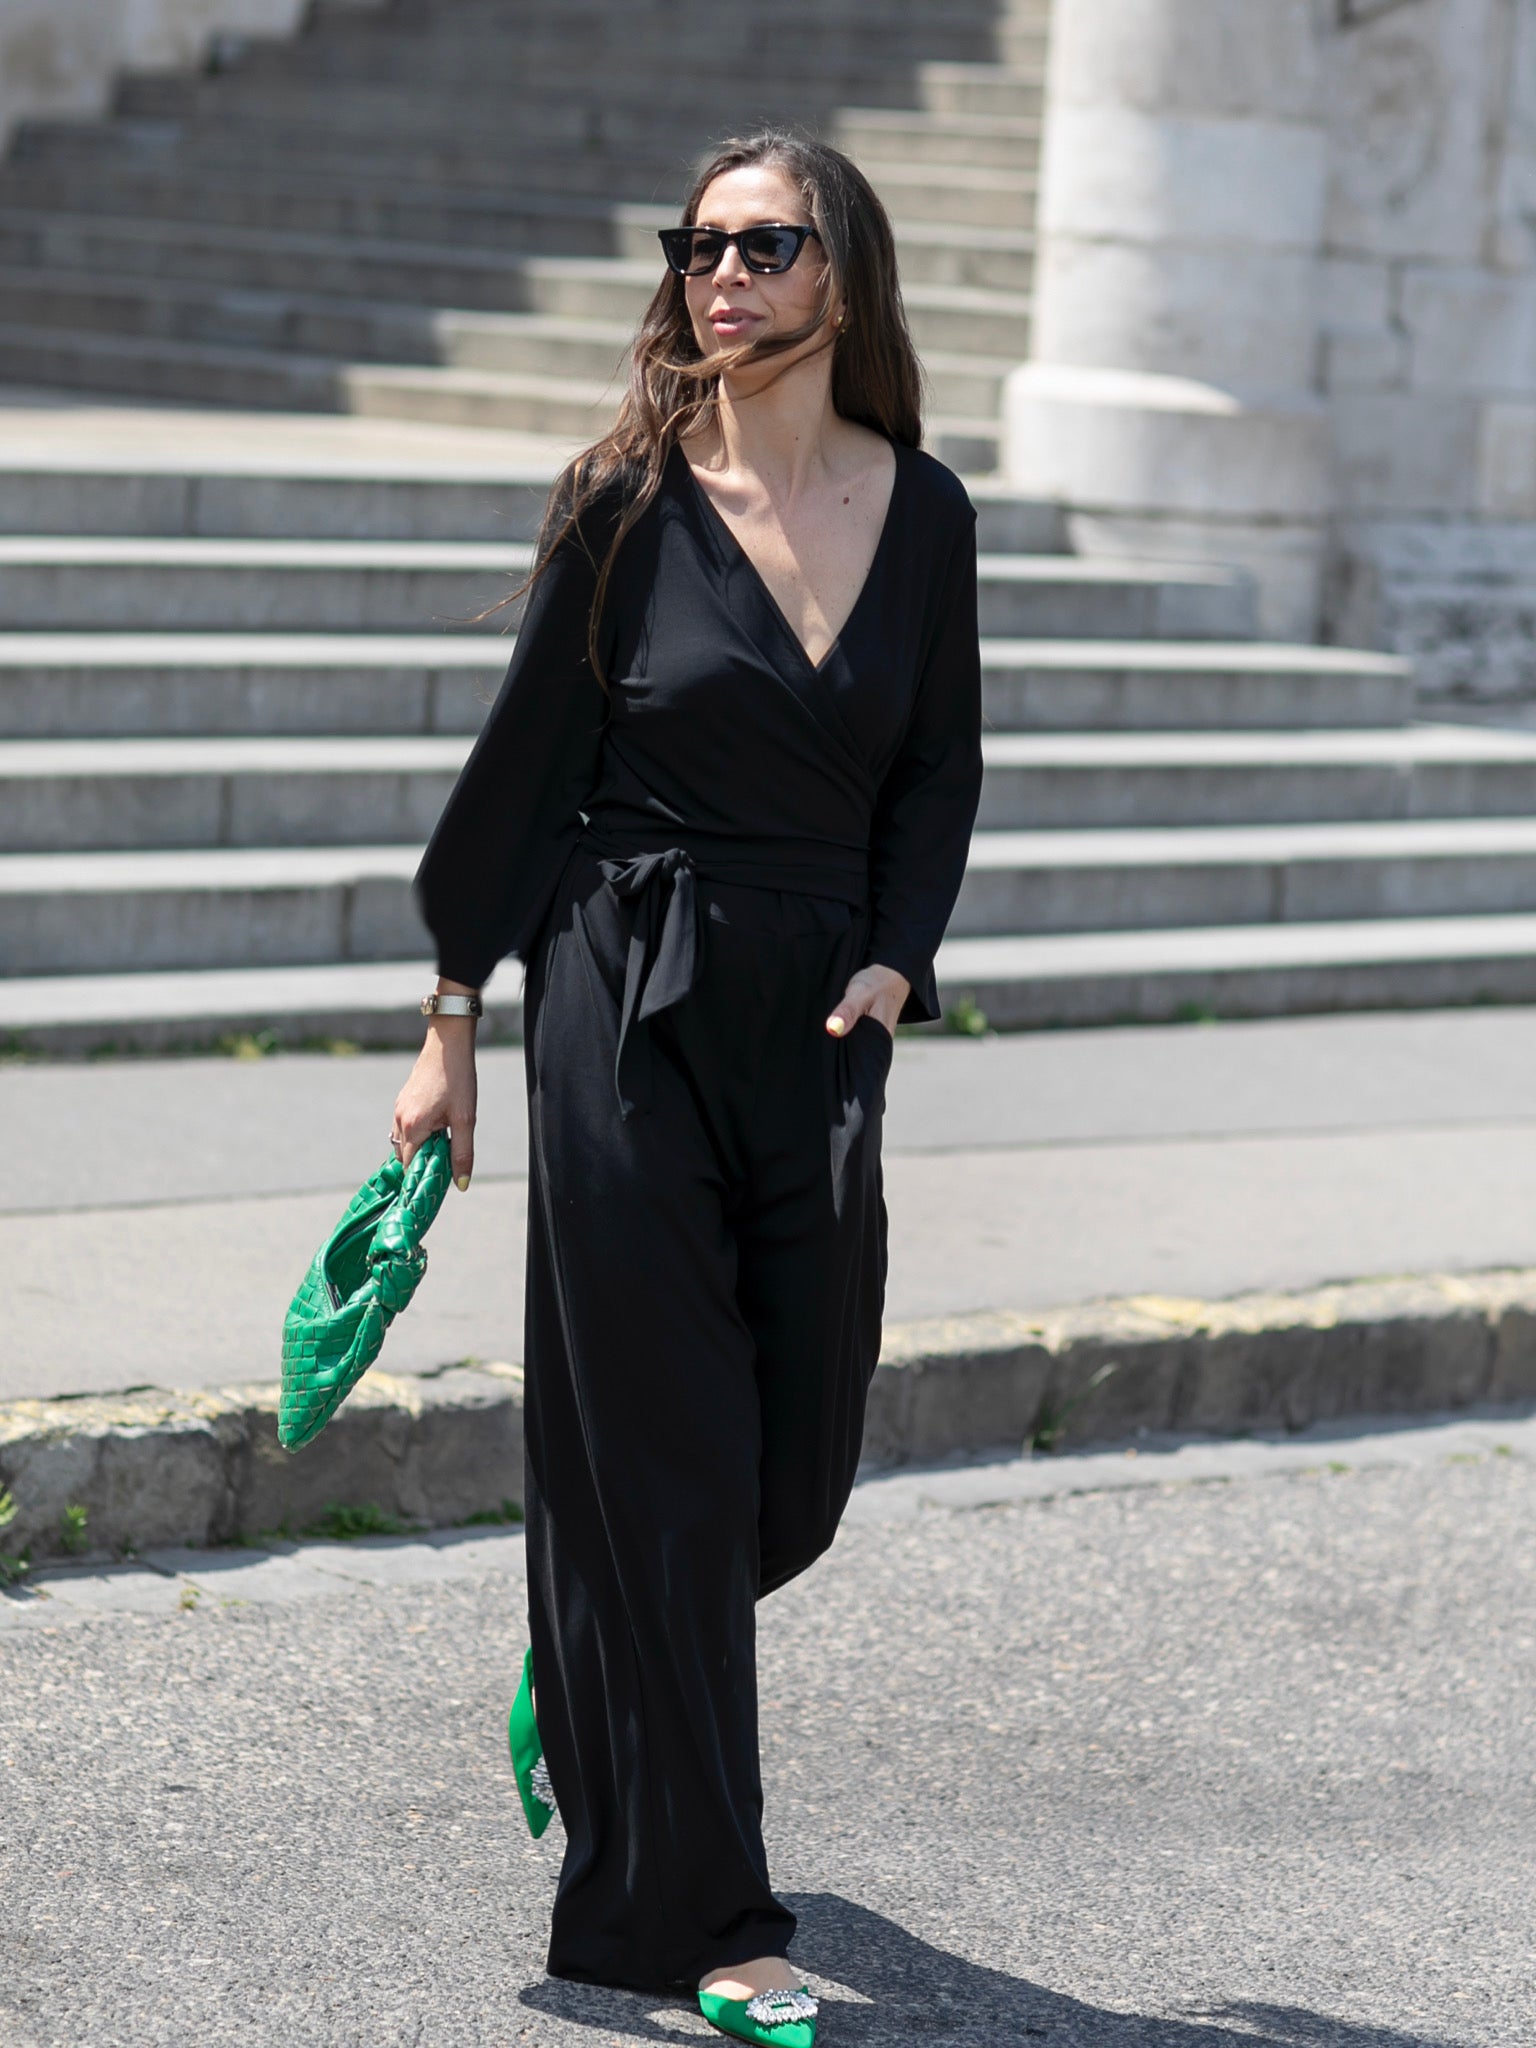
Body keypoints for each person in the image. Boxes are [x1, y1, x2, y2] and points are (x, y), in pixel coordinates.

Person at [390, 128, 983, 2047]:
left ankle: (596, 1653)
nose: (720, 275)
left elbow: (939, 765)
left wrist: (900, 949)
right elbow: (521, 768)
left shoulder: (927, 513)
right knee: (663, 1460)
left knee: (787, 1463)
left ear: (843, 273)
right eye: (699, 246)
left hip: (819, 1021)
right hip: (621, 993)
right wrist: (452, 1016)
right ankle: (711, 1924)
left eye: (764, 244)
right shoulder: (628, 500)